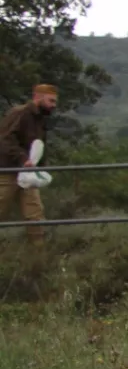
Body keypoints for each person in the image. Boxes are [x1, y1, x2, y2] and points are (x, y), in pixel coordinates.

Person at [0, 83, 58, 247]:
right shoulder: (20, 113)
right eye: (51, 101)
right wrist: (22, 158)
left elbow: (38, 145)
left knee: (35, 213)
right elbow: (4, 139)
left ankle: (38, 252)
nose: (54, 105)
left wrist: (40, 167)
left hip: (28, 172)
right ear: (38, 97)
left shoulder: (40, 119)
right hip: (8, 170)